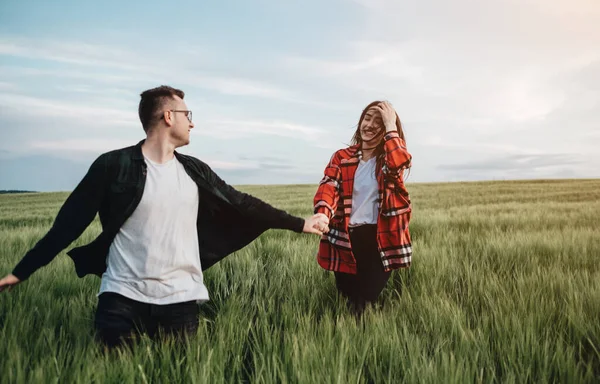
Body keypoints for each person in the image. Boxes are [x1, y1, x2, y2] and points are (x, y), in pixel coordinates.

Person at [0, 85, 329, 347]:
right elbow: (68, 223)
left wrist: (301, 224)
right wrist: (22, 271)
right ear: (168, 116)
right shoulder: (112, 166)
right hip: (120, 300)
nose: (193, 121)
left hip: (181, 301)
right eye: (188, 114)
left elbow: (242, 203)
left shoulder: (194, 170)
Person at [313, 101, 412, 315]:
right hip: (346, 238)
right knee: (347, 300)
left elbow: (399, 163)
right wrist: (323, 212)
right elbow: (329, 186)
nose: (370, 125)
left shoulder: (387, 160)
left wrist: (391, 125)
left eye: (379, 121)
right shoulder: (342, 157)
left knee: (365, 302)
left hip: (379, 240)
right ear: (360, 122)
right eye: (367, 118)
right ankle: (343, 341)